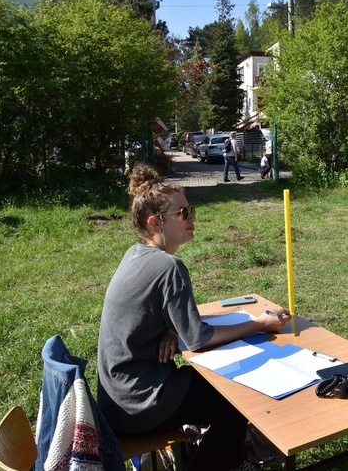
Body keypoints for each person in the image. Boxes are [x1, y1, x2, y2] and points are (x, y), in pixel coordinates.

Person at [97, 163, 291, 470]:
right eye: (183, 213)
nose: (193, 218)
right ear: (155, 222)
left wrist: (171, 330)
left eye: (191, 209)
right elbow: (199, 340)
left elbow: (166, 320)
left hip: (116, 402)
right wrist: (260, 323)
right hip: (141, 404)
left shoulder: (136, 253)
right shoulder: (168, 267)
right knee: (236, 400)